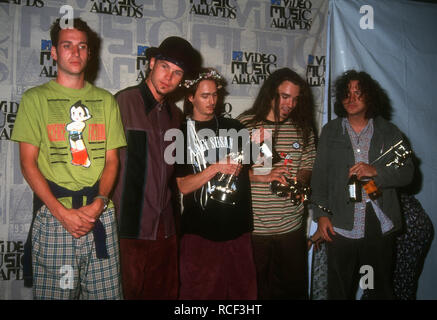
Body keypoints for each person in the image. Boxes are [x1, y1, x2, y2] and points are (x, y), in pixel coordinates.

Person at [11, 18, 126, 299]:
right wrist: (62, 214)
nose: (75, 53)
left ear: (90, 52)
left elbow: (112, 161)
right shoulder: (34, 99)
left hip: (100, 216)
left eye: (82, 46)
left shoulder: (106, 100)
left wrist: (99, 203)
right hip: (55, 218)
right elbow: (28, 164)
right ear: (53, 52)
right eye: (67, 45)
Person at [310, 70, 414, 299]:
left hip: (377, 225)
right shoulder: (331, 131)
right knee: (339, 291)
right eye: (347, 93)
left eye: (358, 93)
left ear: (371, 97)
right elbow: (319, 179)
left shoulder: (389, 131)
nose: (351, 98)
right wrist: (321, 215)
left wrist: (376, 171)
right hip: (340, 225)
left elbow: (408, 173)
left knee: (376, 289)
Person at [112, 36, 200, 299]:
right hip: (128, 228)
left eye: (177, 73)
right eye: (165, 67)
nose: (168, 78)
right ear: (151, 63)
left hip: (166, 229)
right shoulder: (122, 103)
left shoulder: (176, 115)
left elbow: (176, 175)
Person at [175, 68, 257, 299]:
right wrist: (216, 167)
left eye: (215, 95)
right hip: (200, 232)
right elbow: (183, 186)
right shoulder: (180, 132)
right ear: (190, 97)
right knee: (199, 296)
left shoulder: (235, 127)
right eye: (204, 96)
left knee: (243, 296)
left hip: (238, 228)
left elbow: (254, 168)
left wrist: (264, 148)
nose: (212, 101)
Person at [237, 68, 317, 299]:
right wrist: (263, 174)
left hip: (291, 229)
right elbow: (230, 171)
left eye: (295, 99)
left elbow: (307, 164)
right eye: (285, 96)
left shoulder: (303, 128)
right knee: (254, 293)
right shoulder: (246, 123)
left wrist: (299, 183)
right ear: (271, 93)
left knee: (292, 293)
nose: (290, 104)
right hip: (254, 229)